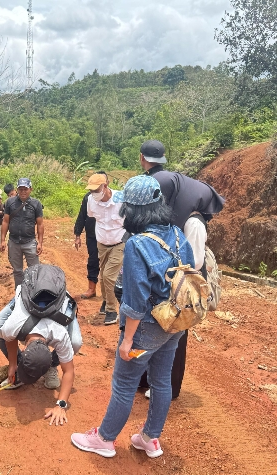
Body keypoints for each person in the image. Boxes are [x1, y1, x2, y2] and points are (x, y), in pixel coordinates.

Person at [71, 174, 195, 459]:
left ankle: (104, 439)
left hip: (147, 328)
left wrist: (128, 339)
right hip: (174, 322)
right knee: (161, 381)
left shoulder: (137, 244)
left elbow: (136, 300)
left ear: (130, 209)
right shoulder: (177, 233)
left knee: (125, 383)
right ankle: (150, 439)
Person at [139, 139, 225, 399]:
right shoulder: (177, 218)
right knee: (157, 328)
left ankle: (169, 388)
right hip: (171, 281)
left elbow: (195, 261)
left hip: (183, 287)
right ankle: (147, 380)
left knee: (176, 335)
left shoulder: (194, 222)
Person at [0, 264, 82, 423]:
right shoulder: (13, 326)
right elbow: (9, 337)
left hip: (60, 303)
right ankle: (20, 366)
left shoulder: (59, 334)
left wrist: (61, 405)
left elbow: (68, 372)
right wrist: (12, 364)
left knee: (76, 342)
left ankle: (51, 366)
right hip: (27, 296)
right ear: (23, 349)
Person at [85, 173, 125, 326]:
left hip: (119, 242)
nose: (94, 193)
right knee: (102, 275)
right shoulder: (91, 200)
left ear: (105, 186)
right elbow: (92, 217)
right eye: (91, 191)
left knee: (109, 276)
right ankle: (105, 300)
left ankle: (111, 310)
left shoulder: (121, 199)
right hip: (102, 243)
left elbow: (130, 219)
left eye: (97, 190)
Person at [0, 178, 44, 287]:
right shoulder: (10, 203)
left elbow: (40, 224)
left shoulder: (36, 204)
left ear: (30, 189)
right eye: (20, 189)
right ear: (17, 189)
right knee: (17, 270)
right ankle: (19, 293)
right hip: (14, 242)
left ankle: (33, 292)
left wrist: (40, 243)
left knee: (34, 270)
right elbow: (5, 222)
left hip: (29, 242)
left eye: (26, 189)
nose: (23, 192)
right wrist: (2, 240)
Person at [73, 171, 108, 301]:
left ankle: (109, 294)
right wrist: (77, 235)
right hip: (93, 235)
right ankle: (91, 289)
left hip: (109, 236)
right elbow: (82, 216)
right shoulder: (88, 197)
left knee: (110, 265)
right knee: (93, 260)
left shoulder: (114, 198)